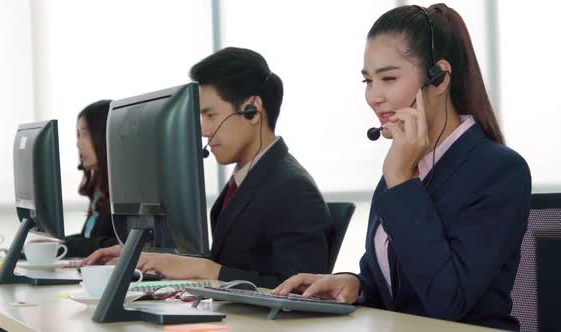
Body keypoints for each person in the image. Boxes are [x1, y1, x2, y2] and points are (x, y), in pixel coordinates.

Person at [273, 4, 531, 331]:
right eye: (368, 80)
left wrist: (400, 179)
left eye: (389, 78)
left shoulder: (498, 172)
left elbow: (447, 301)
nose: (374, 96)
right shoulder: (406, 162)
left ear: (438, 78)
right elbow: (391, 282)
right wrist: (355, 284)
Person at [83, 47, 333, 289]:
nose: (202, 130)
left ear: (252, 111)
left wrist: (206, 269)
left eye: (210, 116)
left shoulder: (292, 188)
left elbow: (300, 289)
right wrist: (149, 255)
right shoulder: (247, 179)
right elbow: (237, 264)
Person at [64, 100, 118, 257]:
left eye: (85, 134)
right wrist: (58, 243)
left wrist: (67, 245)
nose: (78, 143)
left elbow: (116, 245)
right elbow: (90, 239)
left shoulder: (123, 188)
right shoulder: (100, 187)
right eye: (78, 135)